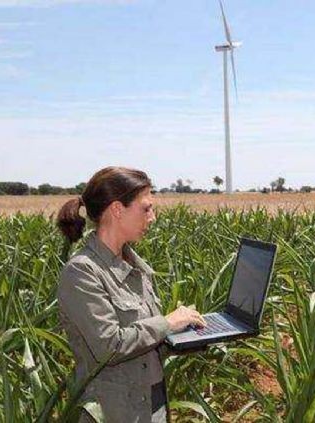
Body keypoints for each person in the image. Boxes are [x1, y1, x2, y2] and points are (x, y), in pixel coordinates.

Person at [56, 166, 207, 423]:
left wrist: (192, 334)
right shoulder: (82, 272)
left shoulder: (135, 266)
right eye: (146, 208)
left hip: (151, 401)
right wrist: (168, 322)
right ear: (117, 209)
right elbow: (109, 346)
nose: (153, 217)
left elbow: (145, 339)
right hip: (116, 411)